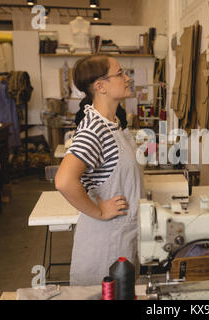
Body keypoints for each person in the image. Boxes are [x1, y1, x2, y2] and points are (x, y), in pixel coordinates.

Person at [55, 55, 144, 286]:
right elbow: (64, 181)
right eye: (120, 73)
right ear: (100, 86)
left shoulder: (112, 124)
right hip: (105, 244)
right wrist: (99, 211)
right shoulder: (94, 128)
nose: (127, 78)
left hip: (121, 239)